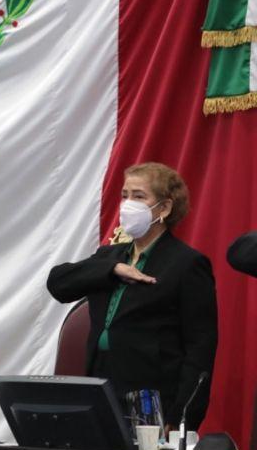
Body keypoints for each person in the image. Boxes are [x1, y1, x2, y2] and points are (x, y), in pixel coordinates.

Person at [47, 162, 218, 431]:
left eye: (139, 196)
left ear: (164, 208)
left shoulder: (187, 263)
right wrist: (112, 269)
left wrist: (182, 418)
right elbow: (58, 283)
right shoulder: (109, 256)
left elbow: (201, 347)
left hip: (153, 395)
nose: (128, 204)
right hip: (101, 385)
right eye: (125, 195)